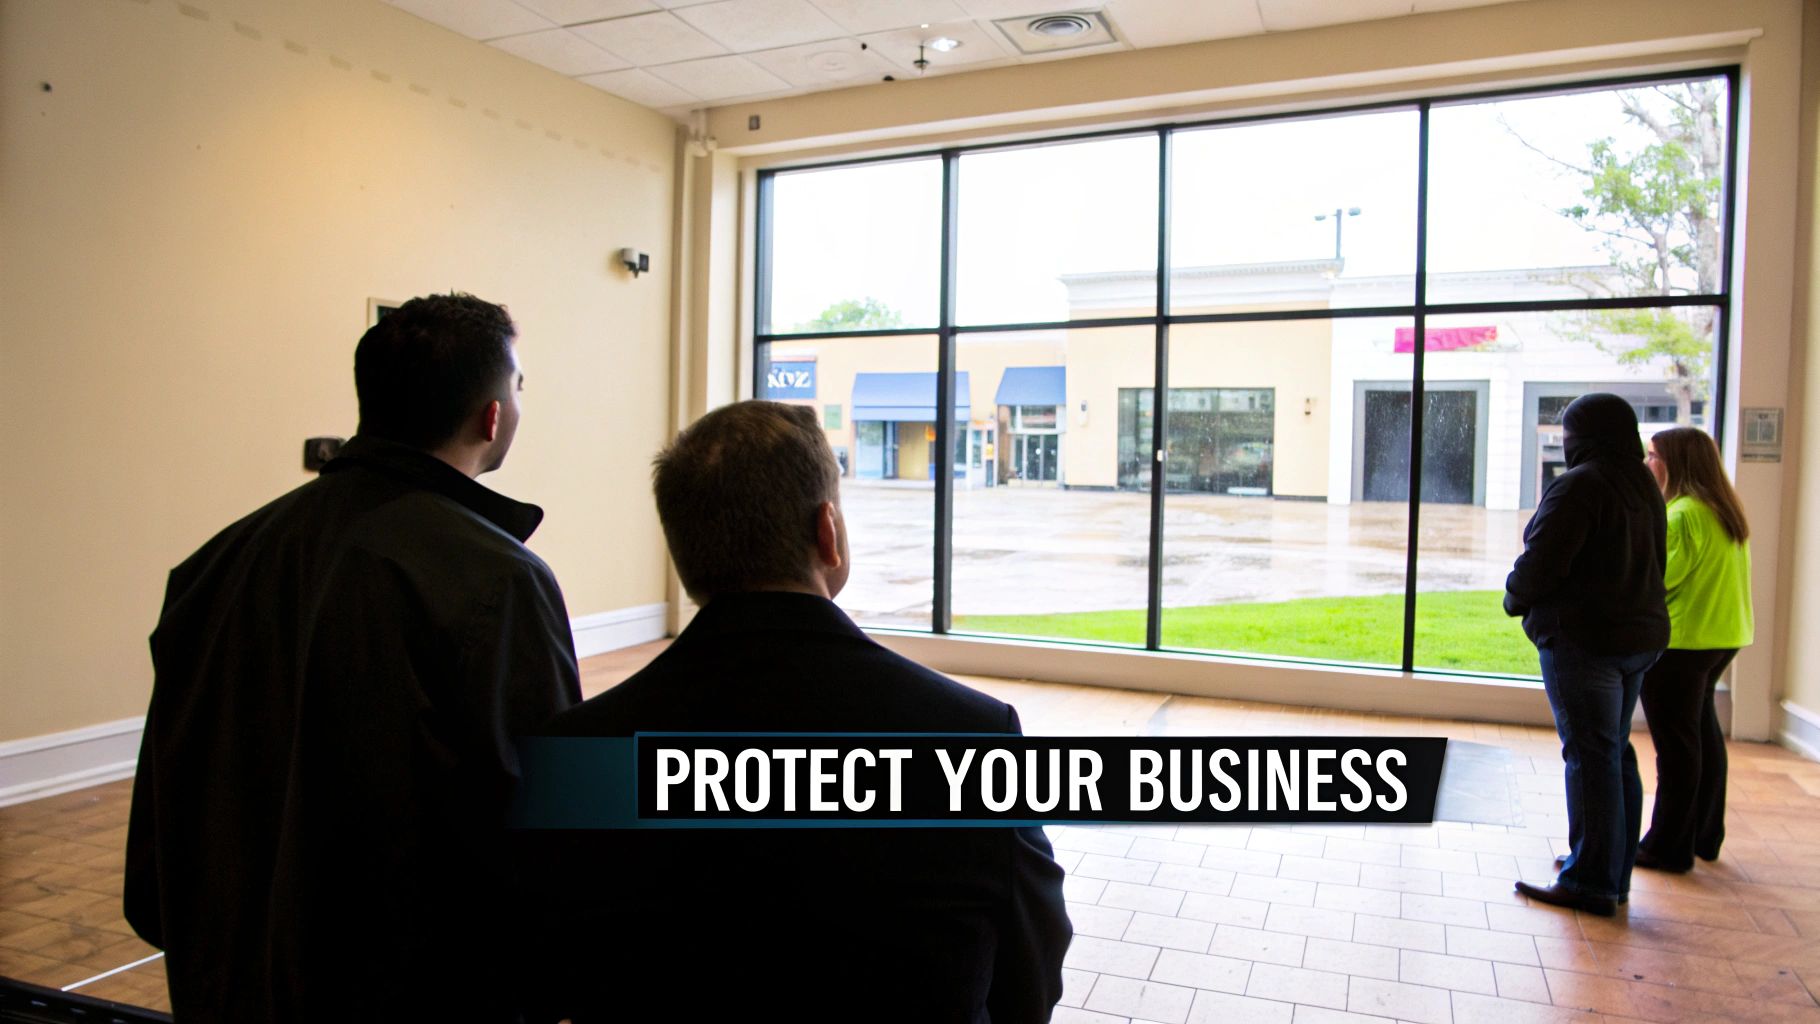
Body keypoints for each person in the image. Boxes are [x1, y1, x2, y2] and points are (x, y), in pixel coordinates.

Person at [518, 400, 1072, 1023]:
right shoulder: (971, 738)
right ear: (827, 532)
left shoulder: (578, 751)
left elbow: (552, 971)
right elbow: (1032, 974)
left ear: (683, 553)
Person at [125, 293, 581, 1023]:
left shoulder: (217, 561)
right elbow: (538, 816)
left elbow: (166, 801)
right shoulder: (496, 578)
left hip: (223, 983)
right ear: (491, 416)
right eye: (517, 385)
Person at [1504, 393, 1668, 917]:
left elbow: (1543, 560)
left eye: (1570, 432)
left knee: (1590, 755)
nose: (1565, 442)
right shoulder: (1642, 484)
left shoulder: (1580, 485)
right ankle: (1610, 872)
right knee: (1614, 752)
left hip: (1586, 641)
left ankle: (1590, 881)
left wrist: (1514, 597)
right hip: (1637, 640)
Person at [1635, 427, 1753, 871]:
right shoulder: (1723, 511)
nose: (1648, 465)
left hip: (1683, 643)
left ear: (1675, 463)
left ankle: (1667, 846)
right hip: (1723, 638)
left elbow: (1659, 580)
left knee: (1677, 746)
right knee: (1702, 737)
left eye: (1653, 456)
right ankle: (1705, 835)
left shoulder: (1682, 515)